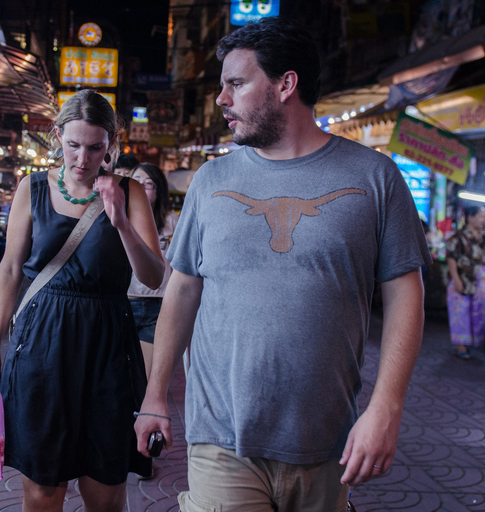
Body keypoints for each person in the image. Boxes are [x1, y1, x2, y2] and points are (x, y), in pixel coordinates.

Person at [134, 17, 430, 512]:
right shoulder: (211, 180)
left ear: (285, 84)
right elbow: (182, 289)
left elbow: (406, 294)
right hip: (220, 434)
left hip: (325, 437)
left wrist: (387, 407)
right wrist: (155, 394)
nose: (221, 100)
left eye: (236, 84)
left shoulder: (375, 177)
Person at [0, 89, 164, 511]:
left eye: (95, 147)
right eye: (73, 145)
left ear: (111, 143)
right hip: (40, 345)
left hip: (107, 346)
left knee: (104, 488)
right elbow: (10, 269)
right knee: (44, 488)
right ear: (57, 136)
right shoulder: (32, 189)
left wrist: (120, 221)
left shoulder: (129, 192)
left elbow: (154, 276)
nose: (83, 159)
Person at [127, 163, 178, 379]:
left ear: (159, 190)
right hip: (123, 304)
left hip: (157, 307)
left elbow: (179, 266)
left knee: (145, 377)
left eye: (147, 184)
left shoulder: (172, 222)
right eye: (135, 181)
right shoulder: (118, 218)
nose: (140, 187)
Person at [445, 205, 485, 360]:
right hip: (462, 280)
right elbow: (451, 258)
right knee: (460, 313)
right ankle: (461, 346)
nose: (483, 220)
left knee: (478, 312)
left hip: (479, 281)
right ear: (470, 217)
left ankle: (475, 342)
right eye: (481, 216)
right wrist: (455, 279)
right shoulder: (458, 237)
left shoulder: (482, 236)